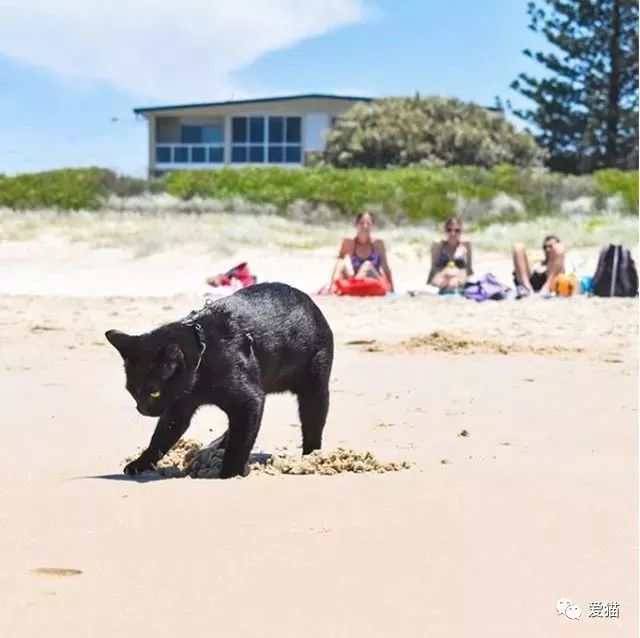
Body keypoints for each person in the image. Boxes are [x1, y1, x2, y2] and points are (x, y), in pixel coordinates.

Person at [328, 211, 395, 293]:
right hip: (357, 278)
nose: (365, 226)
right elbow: (339, 263)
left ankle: (352, 285)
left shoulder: (378, 243)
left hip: (375, 280)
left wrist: (392, 290)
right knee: (341, 264)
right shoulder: (349, 243)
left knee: (367, 265)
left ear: (372, 226)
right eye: (362, 223)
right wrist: (332, 285)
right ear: (356, 224)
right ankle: (333, 289)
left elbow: (385, 267)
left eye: (368, 224)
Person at [427, 216, 473, 292]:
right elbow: (433, 268)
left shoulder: (465, 246)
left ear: (461, 231)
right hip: (442, 275)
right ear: (445, 231)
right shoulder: (438, 246)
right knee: (442, 283)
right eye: (449, 230)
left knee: (452, 284)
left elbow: (469, 269)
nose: (453, 233)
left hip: (459, 276)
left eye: (457, 230)